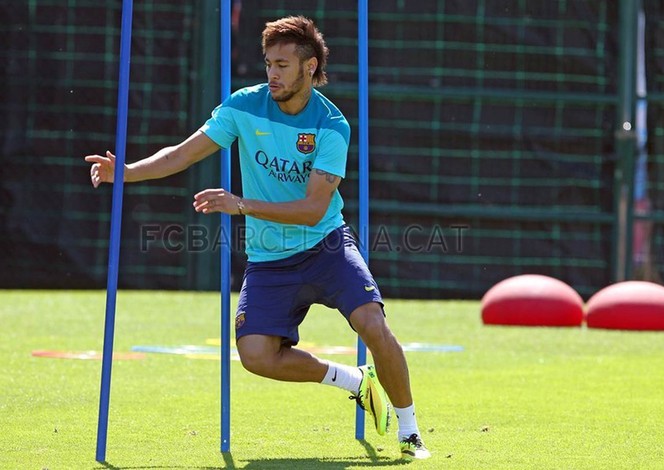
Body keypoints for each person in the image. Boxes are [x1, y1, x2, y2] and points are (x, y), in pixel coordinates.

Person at [86, 16, 430, 460]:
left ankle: (409, 431)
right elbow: (183, 153)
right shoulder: (243, 106)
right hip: (269, 259)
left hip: (326, 246)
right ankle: (354, 381)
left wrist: (240, 204)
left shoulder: (331, 125)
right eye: (268, 63)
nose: (272, 74)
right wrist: (126, 173)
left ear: (310, 67)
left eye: (283, 65)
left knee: (373, 326)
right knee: (255, 356)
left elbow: (311, 211)